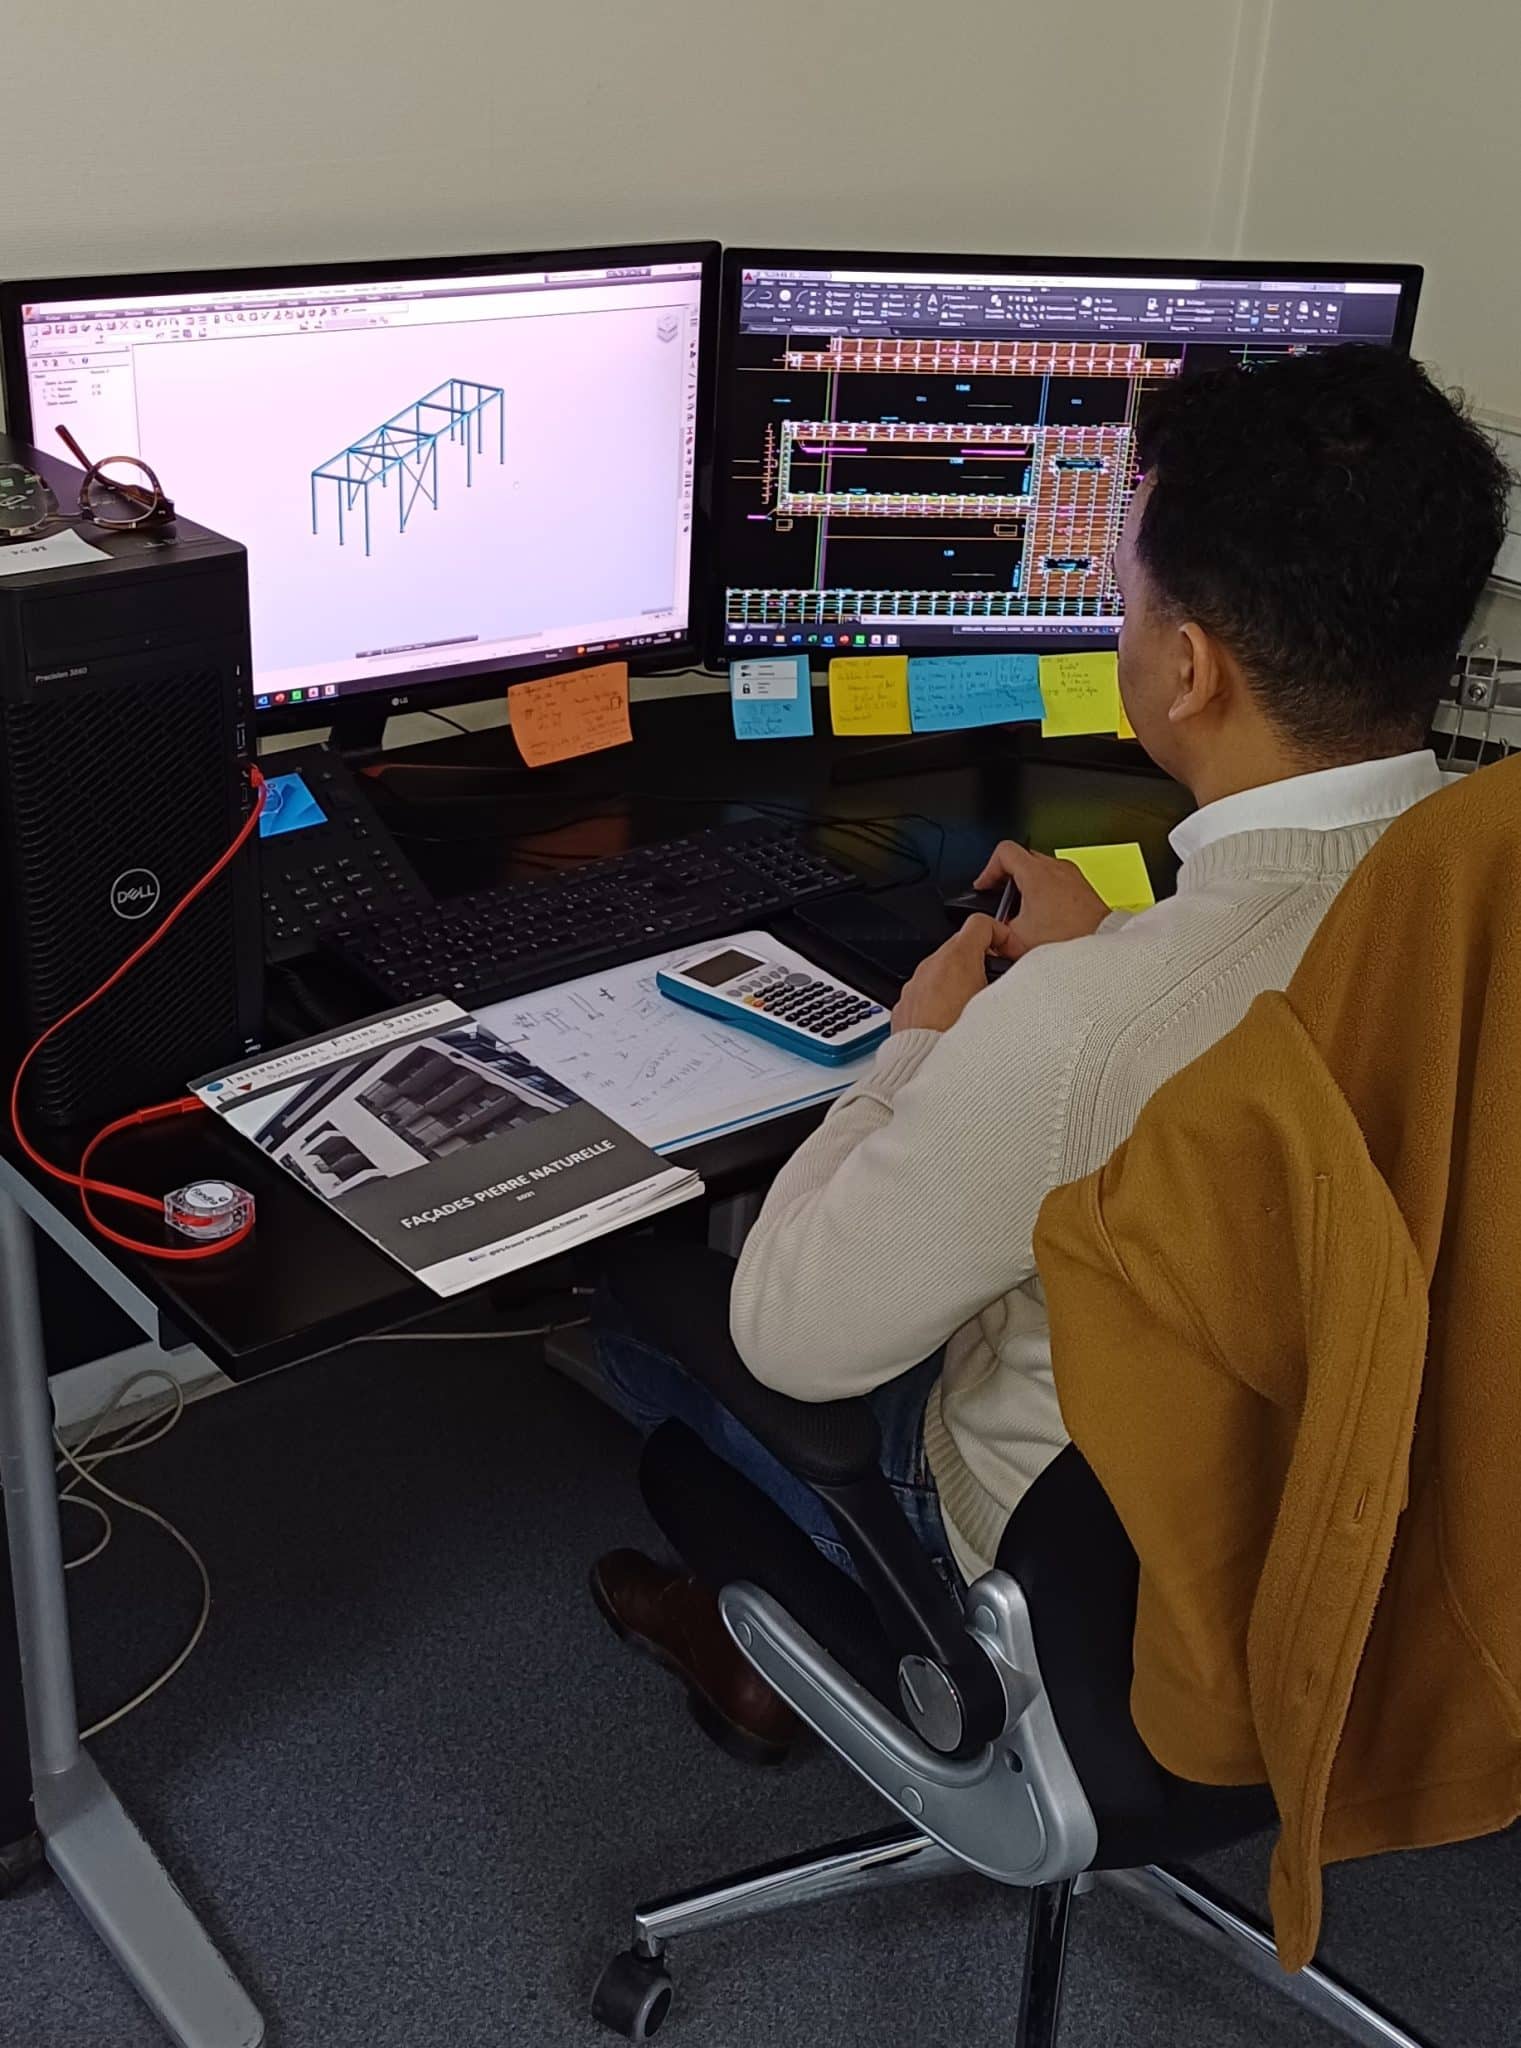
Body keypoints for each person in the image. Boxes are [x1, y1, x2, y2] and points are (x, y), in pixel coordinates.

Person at [590, 345, 1512, 1764]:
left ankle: (787, 1626)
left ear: (1187, 664)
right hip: (1394, 1507)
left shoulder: (1087, 1026)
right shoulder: (1481, 890)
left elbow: (798, 1343)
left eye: (1127, 602)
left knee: (644, 1325)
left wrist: (919, 1044)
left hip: (1089, 1574)